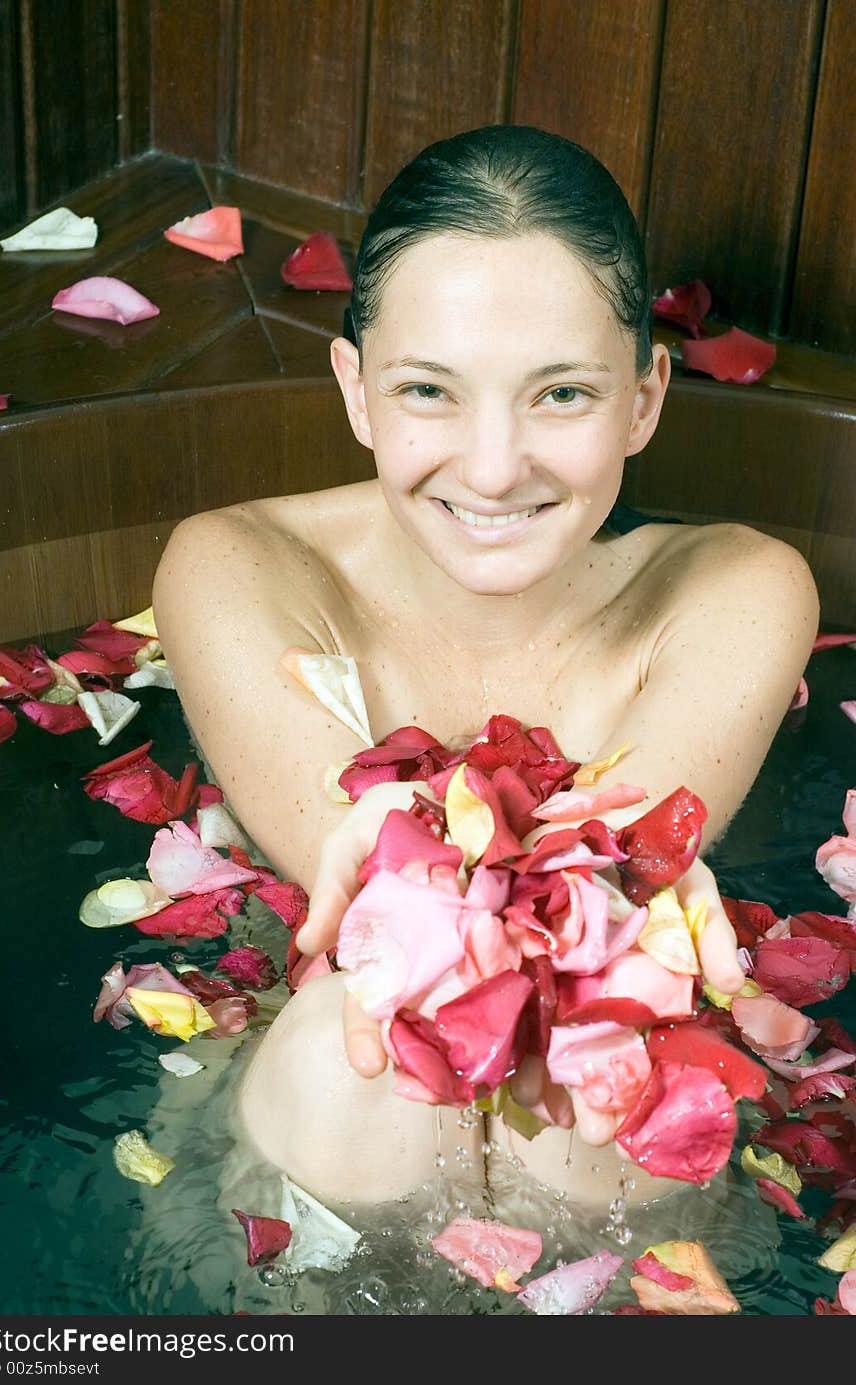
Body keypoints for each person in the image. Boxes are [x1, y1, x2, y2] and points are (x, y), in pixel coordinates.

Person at [152, 125, 818, 1217]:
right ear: (356, 387)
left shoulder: (736, 590)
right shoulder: (236, 566)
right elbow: (382, 902)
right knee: (345, 1043)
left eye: (560, 394)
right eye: (427, 391)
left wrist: (610, 901)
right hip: (318, 1111)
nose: (494, 466)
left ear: (645, 396)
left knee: (602, 1055)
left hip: (593, 1153)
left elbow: (591, 910)